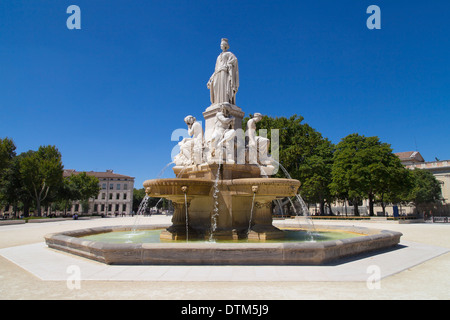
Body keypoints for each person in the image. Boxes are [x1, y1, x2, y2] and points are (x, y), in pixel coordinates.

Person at [207, 38, 239, 105]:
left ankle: (225, 101)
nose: (221, 46)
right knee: (216, 87)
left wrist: (228, 64)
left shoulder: (229, 54)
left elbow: (235, 60)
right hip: (217, 73)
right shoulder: (218, 56)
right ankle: (217, 102)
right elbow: (216, 69)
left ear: (225, 45)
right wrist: (211, 78)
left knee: (224, 88)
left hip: (224, 72)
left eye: (222, 44)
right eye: (220, 44)